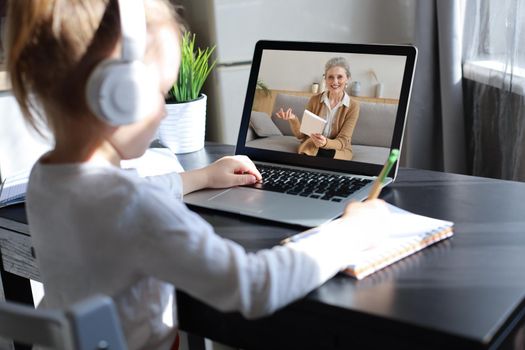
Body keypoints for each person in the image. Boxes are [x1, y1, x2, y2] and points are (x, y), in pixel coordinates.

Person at [6, 1, 385, 349]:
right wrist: (349, 233)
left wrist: (199, 178)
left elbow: (121, 199)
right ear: (117, 93)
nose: (164, 113)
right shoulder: (135, 208)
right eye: (160, 93)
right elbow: (252, 286)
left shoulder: (45, 179)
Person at [276, 57, 360, 160]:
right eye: (330, 77)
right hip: (313, 146)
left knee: (327, 155)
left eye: (340, 77)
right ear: (325, 79)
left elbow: (343, 141)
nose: (335, 81)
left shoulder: (353, 106)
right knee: (310, 149)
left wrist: (325, 143)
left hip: (337, 150)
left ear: (348, 78)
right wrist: (293, 119)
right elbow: (301, 136)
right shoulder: (315, 100)